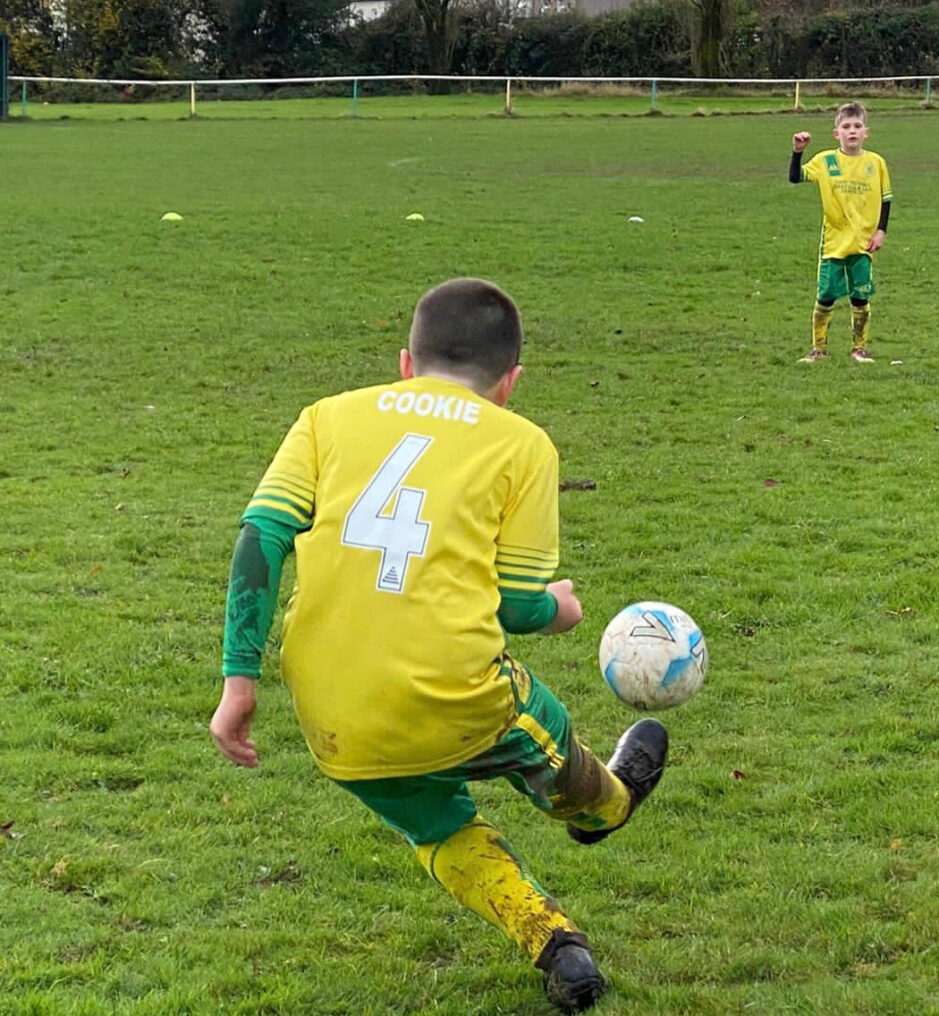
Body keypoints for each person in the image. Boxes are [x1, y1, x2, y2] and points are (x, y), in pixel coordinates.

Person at [209, 277, 670, 1014]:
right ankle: (601, 810)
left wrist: (239, 682)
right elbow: (515, 605)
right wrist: (559, 609)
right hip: (457, 693)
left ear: (404, 362)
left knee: (437, 822)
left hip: (331, 708)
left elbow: (260, 539)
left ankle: (556, 945)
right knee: (552, 753)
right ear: (510, 382)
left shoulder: (326, 418)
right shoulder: (522, 444)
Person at [789, 101, 893, 364]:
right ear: (837, 134)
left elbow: (886, 199)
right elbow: (795, 177)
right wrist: (797, 152)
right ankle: (819, 350)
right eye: (846, 127)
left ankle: (859, 348)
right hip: (834, 243)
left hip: (863, 243)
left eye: (857, 126)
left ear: (866, 132)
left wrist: (881, 231)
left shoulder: (876, 163)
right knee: (826, 295)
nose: (852, 131)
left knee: (860, 296)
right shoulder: (825, 161)